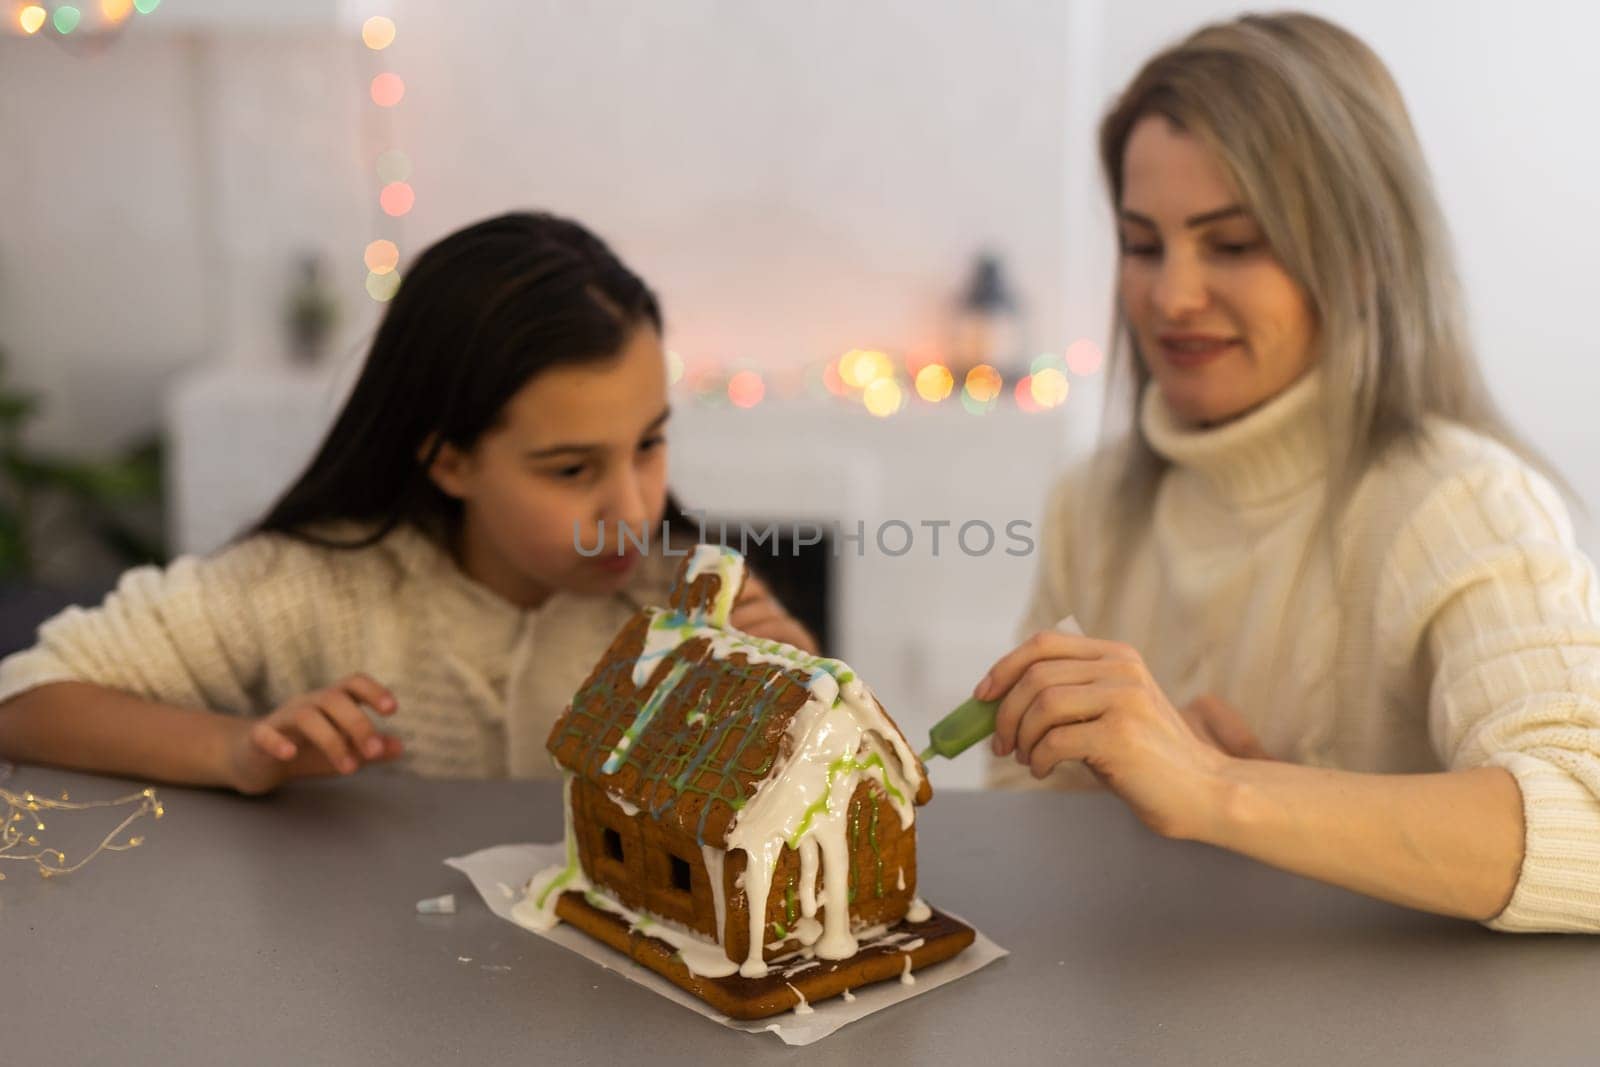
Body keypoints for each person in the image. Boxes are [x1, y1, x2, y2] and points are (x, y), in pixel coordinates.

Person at [982, 12, 1600, 934]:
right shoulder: (1091, 506)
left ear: (1361, 259)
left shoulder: (1462, 502)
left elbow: (1586, 821)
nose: (1170, 297)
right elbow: (1022, 812)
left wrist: (1227, 790)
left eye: (1233, 244)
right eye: (1143, 244)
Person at [0, 211, 815, 795]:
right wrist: (238, 750)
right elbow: (25, 699)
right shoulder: (305, 587)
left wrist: (797, 695)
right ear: (450, 459)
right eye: (571, 469)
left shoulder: (689, 604)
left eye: (649, 444)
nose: (632, 509)